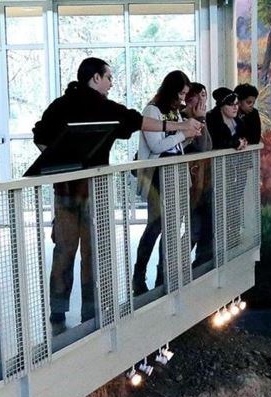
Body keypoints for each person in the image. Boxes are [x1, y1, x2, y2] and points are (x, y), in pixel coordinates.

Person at [32, 57, 201, 329]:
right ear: (95, 78)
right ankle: (90, 308)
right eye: (108, 77)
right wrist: (181, 127)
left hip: (64, 188)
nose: (111, 83)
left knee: (64, 249)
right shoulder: (103, 106)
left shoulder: (60, 105)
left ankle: (59, 309)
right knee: (92, 250)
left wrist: (57, 162)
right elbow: (140, 122)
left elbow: (39, 135)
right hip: (94, 189)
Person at [132, 70, 193, 295]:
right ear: (172, 90)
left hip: (176, 173)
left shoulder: (173, 113)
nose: (183, 99)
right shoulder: (152, 110)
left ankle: (163, 274)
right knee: (155, 225)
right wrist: (183, 133)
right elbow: (157, 147)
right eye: (181, 93)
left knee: (172, 227)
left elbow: (174, 145)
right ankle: (138, 275)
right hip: (157, 176)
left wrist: (187, 135)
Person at [182, 82, 214, 266]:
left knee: (205, 225)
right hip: (190, 181)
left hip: (204, 180)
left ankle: (200, 263)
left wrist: (203, 120)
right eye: (199, 95)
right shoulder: (184, 119)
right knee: (193, 228)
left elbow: (208, 145)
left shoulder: (202, 118)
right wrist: (200, 120)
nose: (202, 99)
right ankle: (174, 265)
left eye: (205, 95)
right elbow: (202, 148)